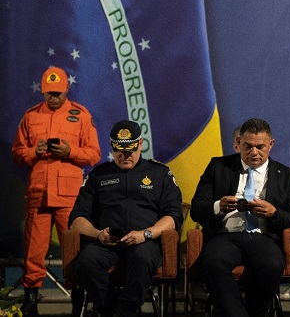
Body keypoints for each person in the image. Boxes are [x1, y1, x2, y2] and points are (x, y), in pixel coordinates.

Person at [11, 66, 101, 317]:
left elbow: (94, 154)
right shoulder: (31, 117)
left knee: (73, 250)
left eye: (58, 93)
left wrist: (70, 151)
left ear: (67, 89)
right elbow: (17, 153)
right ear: (43, 91)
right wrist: (34, 152)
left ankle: (78, 302)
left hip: (68, 197)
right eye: (50, 93)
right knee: (33, 250)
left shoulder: (81, 115)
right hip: (39, 195)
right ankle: (30, 301)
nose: (54, 97)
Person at [69, 120, 183, 317]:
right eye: (119, 151)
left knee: (143, 258)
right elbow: (77, 218)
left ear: (140, 144)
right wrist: (98, 234)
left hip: (144, 241)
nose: (125, 156)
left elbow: (173, 215)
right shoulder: (98, 175)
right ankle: (106, 309)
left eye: (130, 150)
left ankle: (125, 311)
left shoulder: (160, 173)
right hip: (106, 243)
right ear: (112, 146)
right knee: (87, 261)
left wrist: (145, 234)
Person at [191, 118, 290, 317]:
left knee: (272, 264)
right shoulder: (218, 167)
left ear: (271, 144)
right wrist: (218, 206)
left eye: (260, 147)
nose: (254, 152)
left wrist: (273, 213)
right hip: (224, 237)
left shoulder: (287, 176)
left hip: (263, 238)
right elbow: (196, 210)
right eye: (248, 146)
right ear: (238, 143)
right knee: (213, 261)